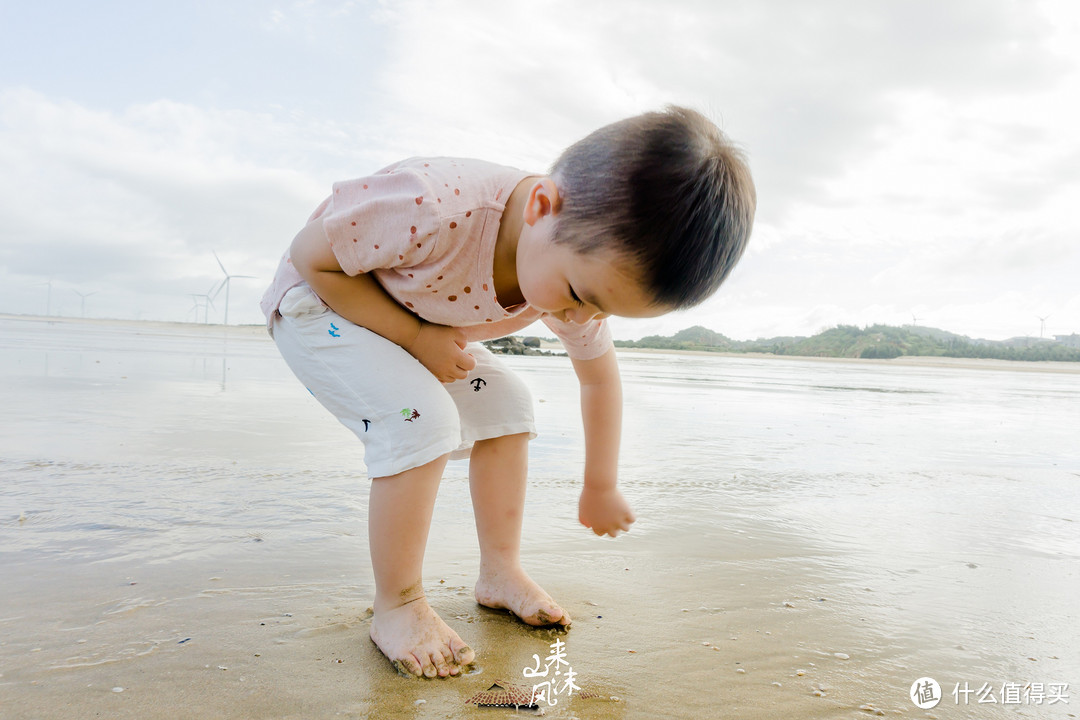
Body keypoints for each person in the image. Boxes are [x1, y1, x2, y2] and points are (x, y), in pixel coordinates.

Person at [259, 106, 756, 679]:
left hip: (411, 322)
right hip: (318, 306)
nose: (582, 316)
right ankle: (396, 604)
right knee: (421, 420)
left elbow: (598, 377)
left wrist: (600, 484)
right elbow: (311, 256)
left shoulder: (571, 266)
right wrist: (417, 337)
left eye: (605, 309)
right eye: (578, 294)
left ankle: (500, 571)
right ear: (544, 207)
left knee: (507, 405)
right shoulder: (434, 205)